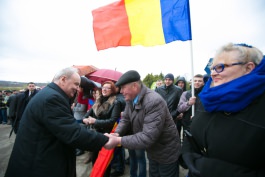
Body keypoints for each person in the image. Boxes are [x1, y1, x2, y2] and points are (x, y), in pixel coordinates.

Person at [4, 67, 115, 177]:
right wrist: (105, 140)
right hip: (39, 166)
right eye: (76, 84)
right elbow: (73, 133)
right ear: (63, 79)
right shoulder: (52, 99)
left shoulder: (50, 94)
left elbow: (66, 126)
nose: (77, 88)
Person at [181, 43, 265, 177]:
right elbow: (192, 133)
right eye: (212, 68)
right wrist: (186, 153)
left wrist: (211, 169)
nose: (213, 73)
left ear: (248, 68)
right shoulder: (207, 97)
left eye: (220, 67)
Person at [104, 70, 181, 177]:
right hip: (153, 150)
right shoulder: (130, 99)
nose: (120, 91)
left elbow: (147, 137)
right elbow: (125, 119)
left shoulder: (153, 101)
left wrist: (118, 140)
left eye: (123, 88)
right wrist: (117, 133)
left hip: (166, 152)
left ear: (134, 86)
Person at [83, 81, 122, 177]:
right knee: (94, 159)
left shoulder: (115, 102)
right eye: (103, 87)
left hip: (106, 136)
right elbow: (86, 115)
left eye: (107, 88)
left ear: (112, 90)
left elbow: (112, 121)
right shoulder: (98, 101)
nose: (104, 89)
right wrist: (86, 119)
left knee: (105, 163)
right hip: (95, 134)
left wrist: (95, 121)